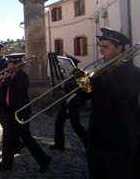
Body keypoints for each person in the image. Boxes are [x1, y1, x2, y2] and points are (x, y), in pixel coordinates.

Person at [87, 27, 140, 179]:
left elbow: (120, 95)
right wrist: (74, 85)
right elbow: (90, 93)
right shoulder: (100, 71)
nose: (101, 51)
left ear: (119, 48)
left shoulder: (132, 72)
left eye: (105, 47)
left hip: (119, 141)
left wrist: (103, 74)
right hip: (97, 139)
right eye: (100, 46)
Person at [0, 53, 51, 172]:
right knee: (7, 138)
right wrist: (1, 83)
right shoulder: (10, 76)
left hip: (21, 111)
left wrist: (7, 79)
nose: (7, 67)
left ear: (16, 65)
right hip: (11, 110)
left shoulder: (22, 76)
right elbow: (5, 91)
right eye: (7, 64)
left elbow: (17, 89)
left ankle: (44, 159)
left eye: (9, 64)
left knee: (26, 138)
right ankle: (6, 164)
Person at [50, 55, 89, 151]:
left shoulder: (79, 74)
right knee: (59, 122)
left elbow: (76, 88)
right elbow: (68, 88)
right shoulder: (69, 74)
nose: (64, 67)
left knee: (77, 126)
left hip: (74, 103)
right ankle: (59, 144)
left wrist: (62, 84)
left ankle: (89, 145)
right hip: (67, 102)